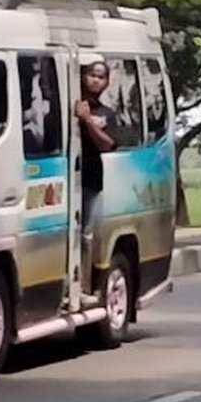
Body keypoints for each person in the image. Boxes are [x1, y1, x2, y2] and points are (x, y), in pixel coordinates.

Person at [76, 58, 118, 255]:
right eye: (92, 75)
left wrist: (87, 121)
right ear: (83, 77)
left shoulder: (106, 113)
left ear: (107, 82)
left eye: (100, 77)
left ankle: (87, 282)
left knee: (86, 234)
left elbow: (107, 144)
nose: (95, 81)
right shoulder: (70, 106)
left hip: (91, 182)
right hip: (66, 179)